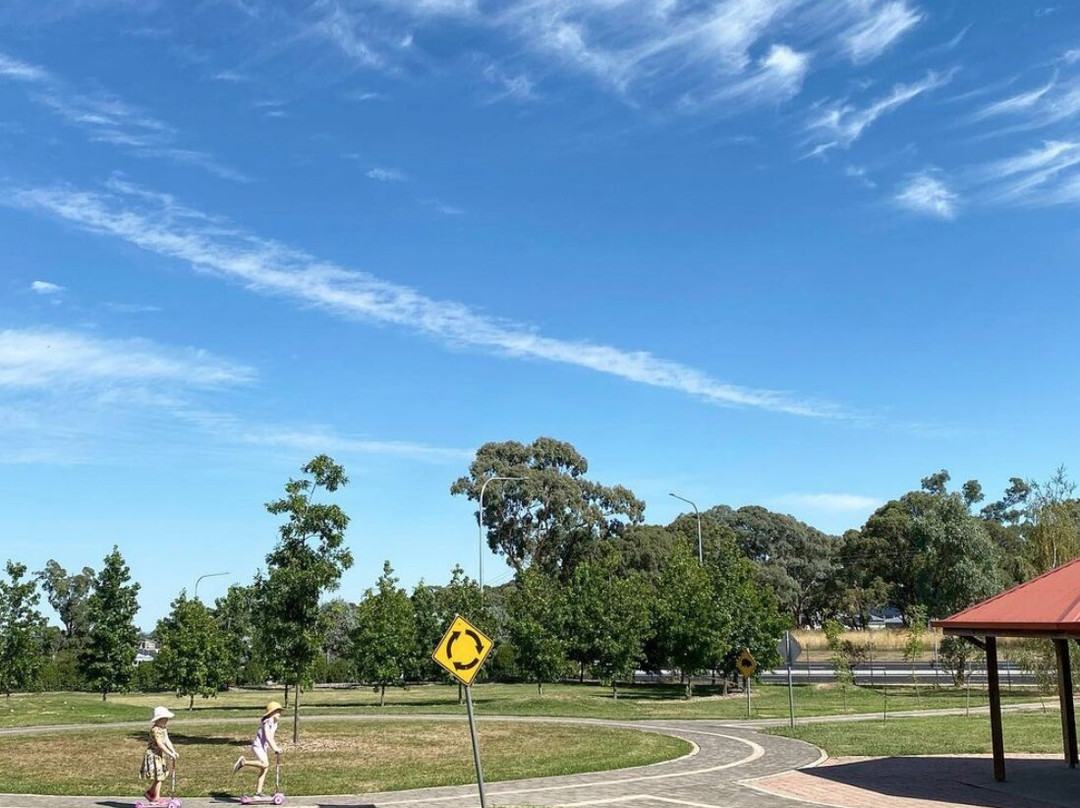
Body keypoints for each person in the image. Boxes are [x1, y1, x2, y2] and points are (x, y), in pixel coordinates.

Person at [232, 700, 284, 797]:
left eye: (280, 711)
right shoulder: (267, 722)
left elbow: (271, 738)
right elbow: (268, 737)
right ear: (271, 712)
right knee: (265, 764)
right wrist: (275, 748)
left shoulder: (274, 723)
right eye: (277, 711)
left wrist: (275, 747)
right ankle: (243, 762)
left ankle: (258, 792)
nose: (280, 714)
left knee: (265, 768)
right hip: (258, 746)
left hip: (263, 747)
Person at [140, 706, 179, 804]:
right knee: (159, 777)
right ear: (158, 719)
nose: (166, 721)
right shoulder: (155, 730)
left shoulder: (163, 728)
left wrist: (173, 751)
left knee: (161, 775)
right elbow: (160, 744)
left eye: (167, 719)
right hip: (153, 756)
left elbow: (166, 741)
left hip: (159, 755)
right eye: (164, 719)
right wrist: (169, 753)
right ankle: (156, 797)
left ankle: (150, 793)